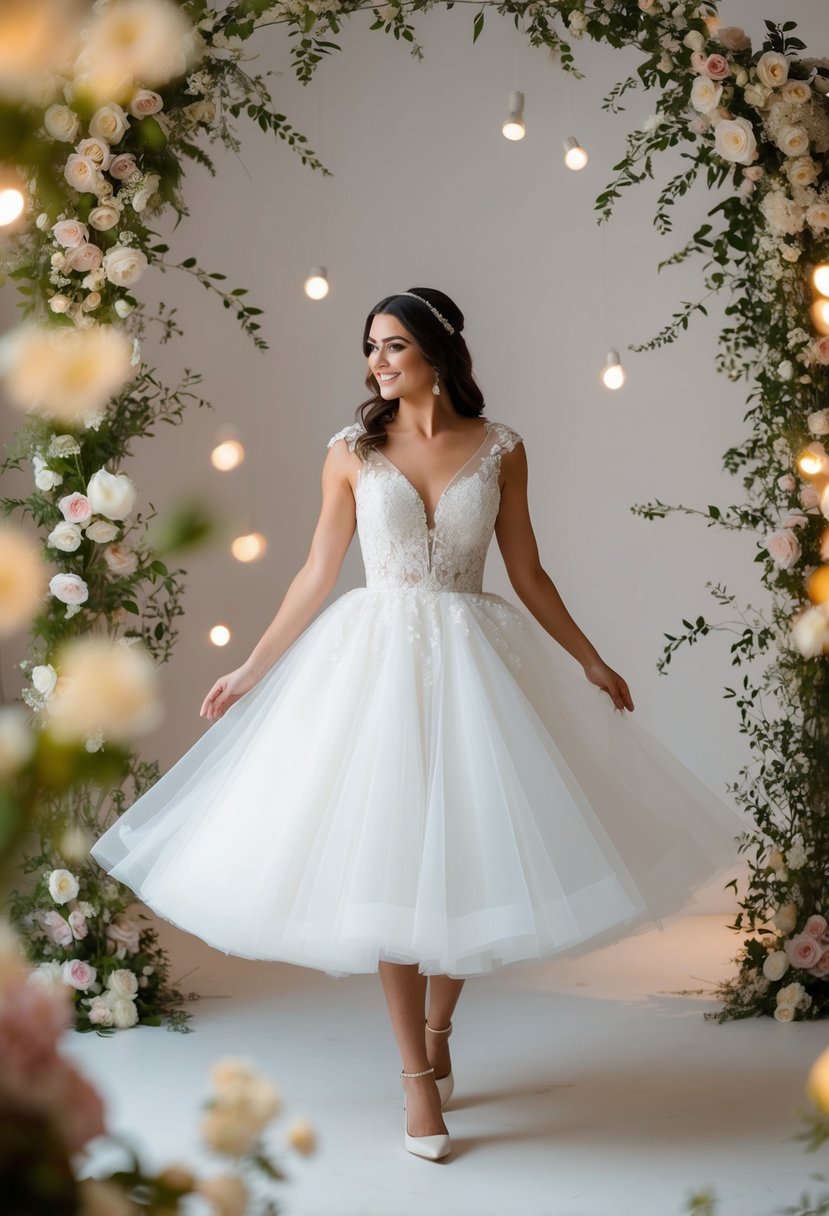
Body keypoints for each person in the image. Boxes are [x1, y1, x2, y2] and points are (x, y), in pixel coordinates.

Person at [91, 287, 744, 1162]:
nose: (379, 361)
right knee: (391, 860)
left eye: (395, 344)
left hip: (479, 662)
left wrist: (590, 658)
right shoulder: (350, 452)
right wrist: (251, 669)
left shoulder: (502, 448)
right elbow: (316, 574)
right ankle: (413, 1079)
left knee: (470, 852)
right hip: (373, 665)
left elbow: (529, 571)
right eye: (371, 347)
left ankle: (439, 1032)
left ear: (437, 350)